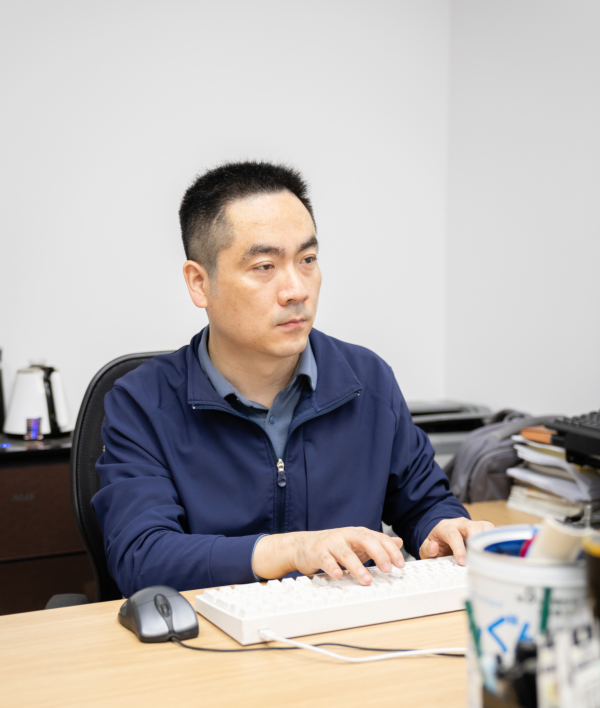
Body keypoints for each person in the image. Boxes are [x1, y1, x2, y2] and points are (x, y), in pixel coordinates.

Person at [92, 161, 492, 596]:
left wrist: (441, 527)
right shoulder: (140, 402)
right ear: (199, 283)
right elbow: (142, 557)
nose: (297, 290)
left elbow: (425, 502)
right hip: (213, 631)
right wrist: (292, 550)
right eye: (265, 266)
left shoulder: (366, 378)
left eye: (307, 260)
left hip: (349, 625)